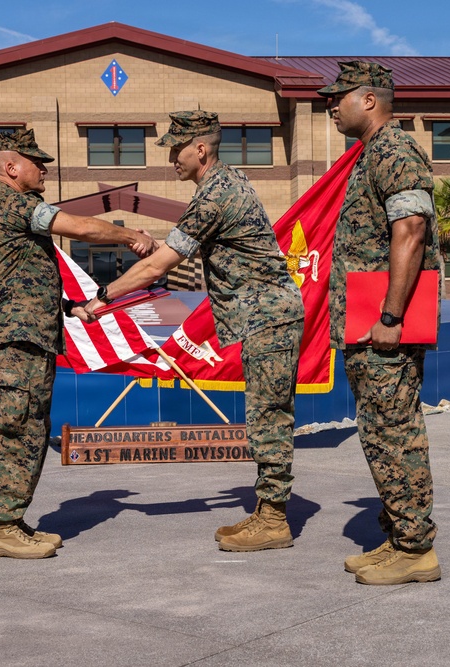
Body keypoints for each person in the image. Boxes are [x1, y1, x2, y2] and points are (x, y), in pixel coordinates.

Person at [85, 111, 304, 552]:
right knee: (263, 413)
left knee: (268, 416)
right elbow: (175, 247)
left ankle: (275, 519)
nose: (171, 159)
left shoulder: (215, 195)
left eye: (176, 149)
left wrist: (102, 298)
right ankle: (266, 510)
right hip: (265, 315)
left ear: (200, 148)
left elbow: (158, 266)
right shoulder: (227, 182)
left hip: (269, 316)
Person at [0, 128, 154, 559]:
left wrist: (72, 306)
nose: (45, 169)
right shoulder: (11, 204)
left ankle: (12, 522)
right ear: (11, 168)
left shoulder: (14, 210)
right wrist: (129, 236)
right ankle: (1, 527)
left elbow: (20, 280)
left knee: (32, 428)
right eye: (36, 162)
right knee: (14, 429)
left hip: (27, 337)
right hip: (13, 341)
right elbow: (80, 227)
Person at [319, 61, 442, 584]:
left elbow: (411, 228)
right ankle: (397, 536)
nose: (331, 105)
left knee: (395, 430)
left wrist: (391, 316)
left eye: (339, 96)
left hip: (382, 326)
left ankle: (416, 549)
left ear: (368, 99)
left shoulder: (393, 150)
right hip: (367, 324)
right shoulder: (371, 153)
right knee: (378, 430)